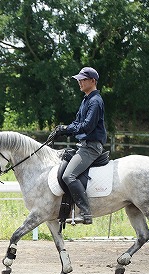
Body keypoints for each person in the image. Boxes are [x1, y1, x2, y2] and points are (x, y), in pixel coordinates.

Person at [52, 67, 107, 224]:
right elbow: (77, 123)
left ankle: (86, 212)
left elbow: (87, 126)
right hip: (83, 145)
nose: (79, 82)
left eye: (83, 79)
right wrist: (63, 129)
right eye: (79, 79)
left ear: (93, 81)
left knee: (68, 176)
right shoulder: (86, 100)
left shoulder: (95, 101)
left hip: (91, 147)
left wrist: (66, 129)